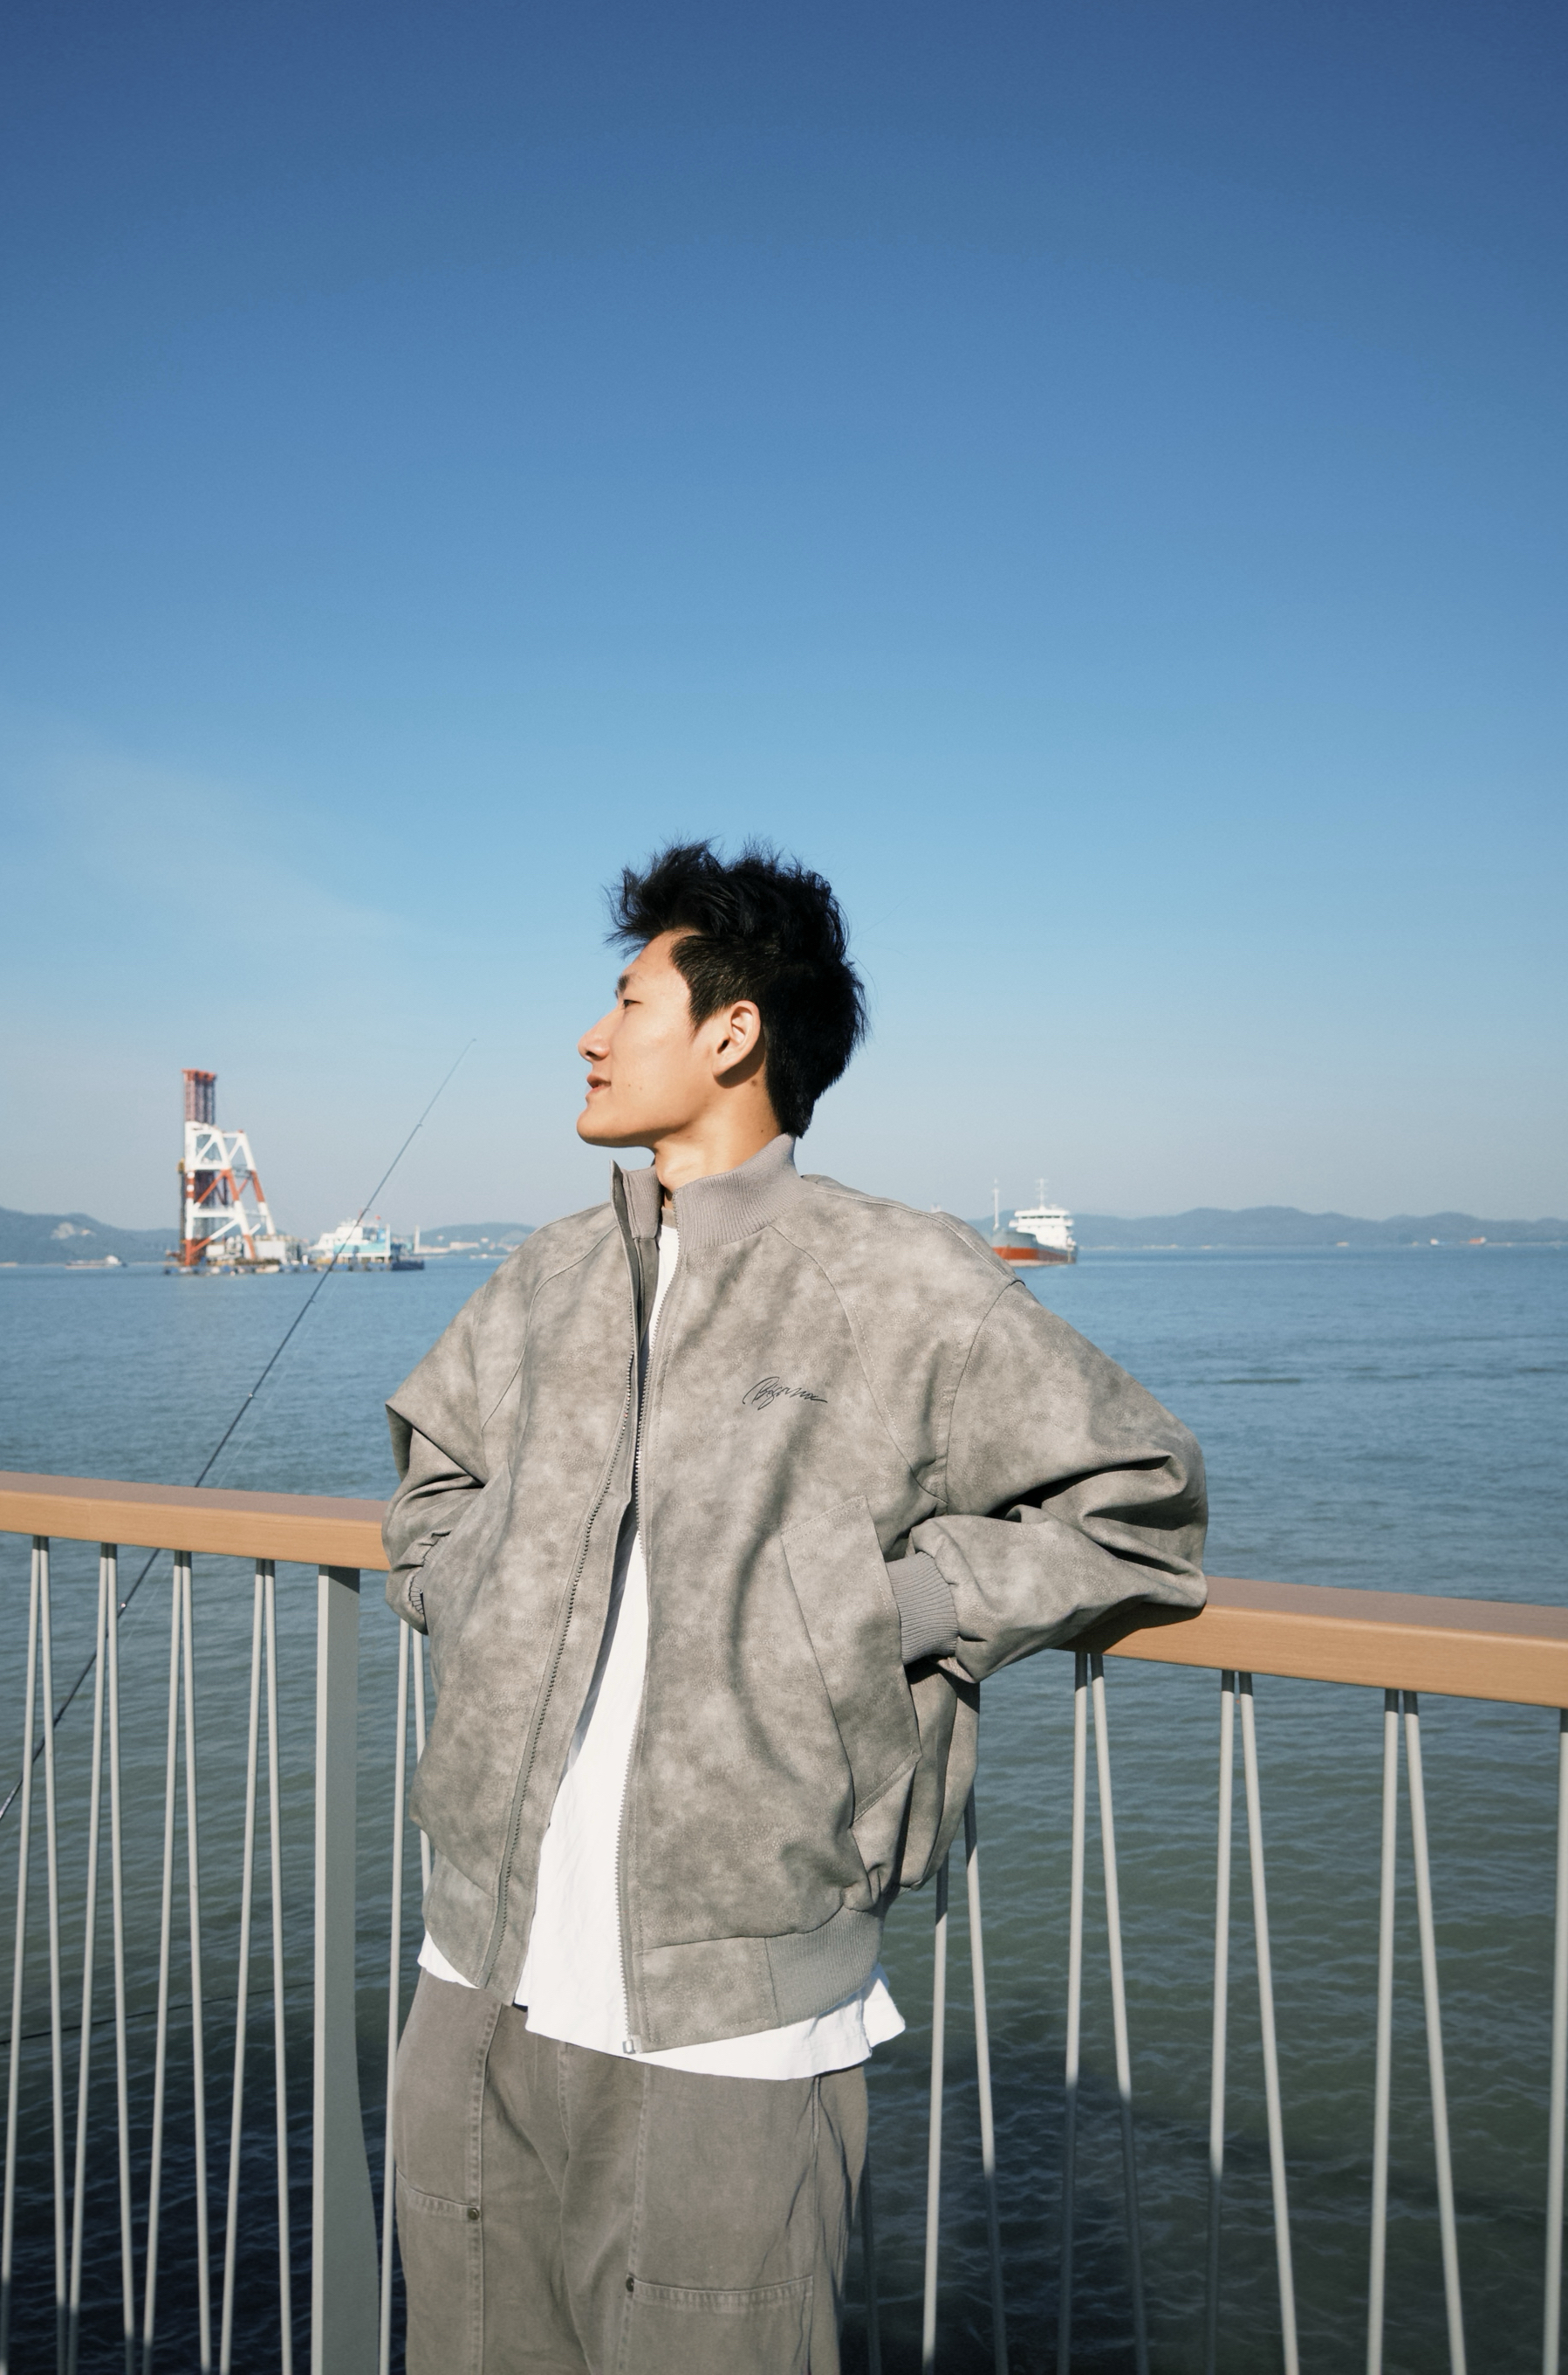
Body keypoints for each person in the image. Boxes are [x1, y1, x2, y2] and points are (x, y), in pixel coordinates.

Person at [383, 840, 1207, 2375]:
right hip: (470, 1980)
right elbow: (430, 1496)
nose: (588, 1035)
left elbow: (1140, 1506)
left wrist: (877, 1609)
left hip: (738, 2018)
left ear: (734, 1030)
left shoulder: (900, 1281)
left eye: (628, 1001)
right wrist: (486, 1588)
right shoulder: (543, 1281)